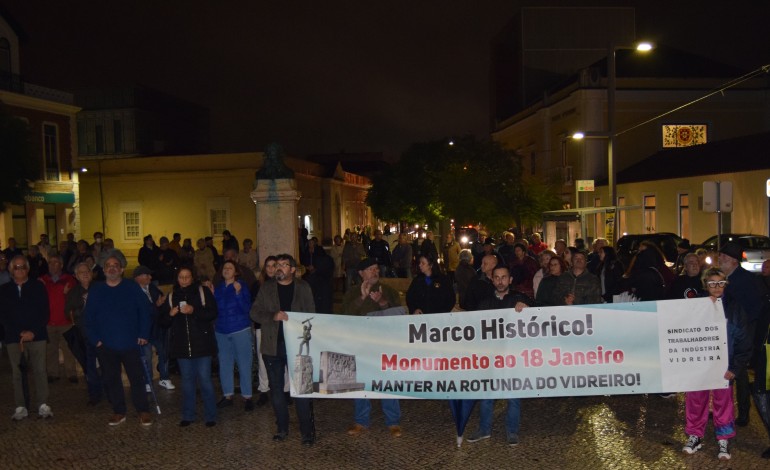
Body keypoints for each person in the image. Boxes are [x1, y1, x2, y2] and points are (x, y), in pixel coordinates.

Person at [681, 267, 751, 461]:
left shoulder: (734, 307)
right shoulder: (695, 306)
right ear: (706, 285)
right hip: (699, 364)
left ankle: (724, 438)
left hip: (724, 366)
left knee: (723, 403)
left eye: (720, 283)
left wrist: (735, 367)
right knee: (695, 400)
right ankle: (695, 435)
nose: (717, 287)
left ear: (725, 284)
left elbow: (743, 339)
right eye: (712, 283)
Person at [250, 254, 317, 446]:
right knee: (277, 390)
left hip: (298, 346)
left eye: (284, 265)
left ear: (293, 270)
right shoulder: (267, 288)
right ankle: (282, 428)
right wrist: (273, 315)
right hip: (273, 345)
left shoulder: (303, 287)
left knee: (302, 390)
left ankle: (306, 432)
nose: (279, 268)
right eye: (277, 265)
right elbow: (254, 312)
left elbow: (312, 314)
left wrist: (296, 320)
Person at [467, 264, 534, 446]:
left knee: (513, 397)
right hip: (491, 358)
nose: (500, 281)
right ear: (492, 279)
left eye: (504, 277)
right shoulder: (485, 303)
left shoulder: (519, 299)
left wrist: (527, 307)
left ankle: (512, 431)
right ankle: (484, 429)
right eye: (497, 277)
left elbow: (538, 316)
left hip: (513, 358)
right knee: (487, 396)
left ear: (510, 280)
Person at [83, 256, 154, 427]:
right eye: (109, 265)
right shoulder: (96, 290)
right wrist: (95, 340)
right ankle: (119, 411)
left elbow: (145, 311)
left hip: (131, 343)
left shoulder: (131, 287)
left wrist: (144, 333)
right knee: (111, 379)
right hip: (106, 345)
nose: (112, 268)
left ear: (121, 270)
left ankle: (143, 410)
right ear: (104, 269)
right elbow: (88, 318)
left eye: (116, 266)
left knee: (137, 379)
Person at [340, 257, 404, 438]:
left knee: (388, 382)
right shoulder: (352, 293)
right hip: (360, 345)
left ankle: (393, 421)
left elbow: (399, 315)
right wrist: (361, 298)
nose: (375, 272)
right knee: (361, 383)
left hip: (385, 345)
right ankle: (361, 420)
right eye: (370, 269)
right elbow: (345, 317)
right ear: (361, 273)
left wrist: (383, 302)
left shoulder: (389, 291)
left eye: (376, 268)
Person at [159, 267, 219, 427]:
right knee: (186, 382)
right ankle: (188, 415)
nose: (184, 280)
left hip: (202, 345)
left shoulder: (202, 292)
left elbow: (212, 313)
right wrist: (169, 315)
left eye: (187, 277)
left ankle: (211, 415)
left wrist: (194, 310)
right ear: (177, 279)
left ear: (192, 277)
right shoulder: (172, 297)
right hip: (182, 347)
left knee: (205, 380)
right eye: (181, 277)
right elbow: (163, 322)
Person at [0, 255, 52, 420]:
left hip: (37, 335)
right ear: (11, 271)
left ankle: (43, 404)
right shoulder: (4, 290)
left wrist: (33, 332)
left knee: (40, 370)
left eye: (23, 267)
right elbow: (3, 316)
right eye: (16, 267)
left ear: (28, 269)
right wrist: (18, 333)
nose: (20, 270)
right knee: (17, 373)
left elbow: (44, 312)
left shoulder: (38, 287)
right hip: (14, 338)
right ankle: (21, 406)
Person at [719, 241, 764, 426]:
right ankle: (726, 409)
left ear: (733, 261)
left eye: (723, 257)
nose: (720, 260)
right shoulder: (725, 277)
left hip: (741, 332)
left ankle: (744, 413)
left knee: (740, 372)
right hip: (729, 330)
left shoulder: (745, 280)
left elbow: (756, 308)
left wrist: (744, 327)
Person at [212, 260, 254, 411]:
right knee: (225, 364)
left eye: (230, 268)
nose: (227, 270)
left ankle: (247, 396)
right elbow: (214, 309)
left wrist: (237, 294)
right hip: (221, 331)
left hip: (240, 330)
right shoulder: (218, 288)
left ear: (236, 272)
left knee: (244, 364)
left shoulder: (241, 286)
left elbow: (247, 308)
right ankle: (227, 395)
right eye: (224, 268)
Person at [65, 262, 104, 405]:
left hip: (103, 333)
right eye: (81, 272)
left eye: (87, 270)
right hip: (85, 334)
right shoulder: (73, 293)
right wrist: (82, 307)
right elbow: (68, 313)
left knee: (108, 365)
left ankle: (111, 392)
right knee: (90, 367)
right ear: (76, 276)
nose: (85, 273)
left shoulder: (101, 287)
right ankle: (94, 394)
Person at [133, 266, 174, 390]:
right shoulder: (132, 291)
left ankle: (164, 377)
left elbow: (160, 303)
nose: (150, 277)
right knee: (146, 356)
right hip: (142, 330)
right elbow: (140, 310)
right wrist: (155, 305)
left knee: (164, 352)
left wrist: (161, 304)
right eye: (147, 275)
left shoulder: (152, 288)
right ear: (138, 277)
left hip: (156, 328)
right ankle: (147, 381)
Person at [40, 254, 78, 383]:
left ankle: (71, 373)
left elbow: (74, 299)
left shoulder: (69, 279)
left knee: (68, 349)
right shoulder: (43, 280)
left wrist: (67, 294)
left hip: (65, 321)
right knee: (50, 350)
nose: (52, 265)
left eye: (56, 262)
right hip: (49, 321)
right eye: (50, 262)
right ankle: (52, 373)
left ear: (61, 265)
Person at [303, 238, 334, 314]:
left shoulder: (319, 251)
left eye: (312, 243)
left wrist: (315, 268)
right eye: (309, 243)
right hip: (312, 275)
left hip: (320, 277)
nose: (310, 244)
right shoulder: (306, 251)